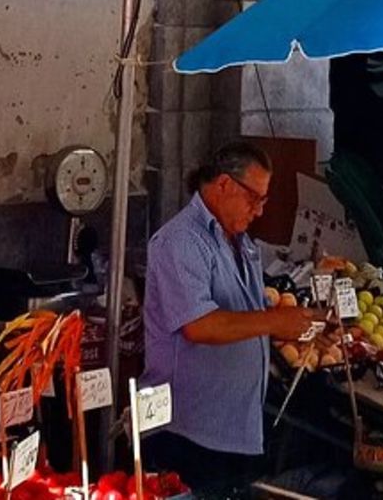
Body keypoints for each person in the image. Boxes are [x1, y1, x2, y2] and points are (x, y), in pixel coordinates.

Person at [141, 141, 316, 497]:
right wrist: (274, 323)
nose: (259, 211)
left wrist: (289, 326)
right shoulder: (181, 241)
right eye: (254, 199)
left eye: (263, 201)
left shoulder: (240, 242)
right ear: (223, 185)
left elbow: (246, 314)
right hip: (188, 431)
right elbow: (199, 325)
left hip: (235, 427)